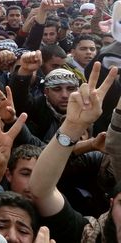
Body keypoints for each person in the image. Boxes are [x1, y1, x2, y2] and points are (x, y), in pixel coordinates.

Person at [29, 62, 119, 242]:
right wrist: (72, 127)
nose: (64, 94)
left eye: (70, 88)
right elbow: (40, 190)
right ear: (112, 205)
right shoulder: (90, 234)